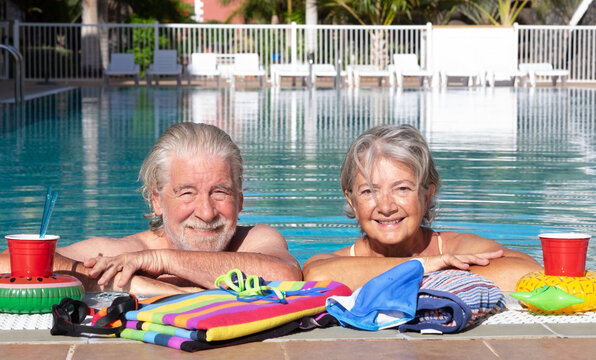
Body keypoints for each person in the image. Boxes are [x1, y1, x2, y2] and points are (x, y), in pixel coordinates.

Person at [0, 123, 301, 294]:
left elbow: (286, 276)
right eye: (187, 193)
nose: (207, 213)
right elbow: (8, 262)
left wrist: (162, 261)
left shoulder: (255, 241)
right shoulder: (124, 251)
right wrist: (128, 281)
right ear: (156, 200)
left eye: (220, 192)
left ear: (240, 201)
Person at [302, 124, 541, 292]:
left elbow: (528, 274)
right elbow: (317, 278)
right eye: (369, 191)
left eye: (402, 189)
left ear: (427, 195)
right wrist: (424, 265)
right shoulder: (332, 262)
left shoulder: (455, 247)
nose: (386, 206)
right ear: (352, 201)